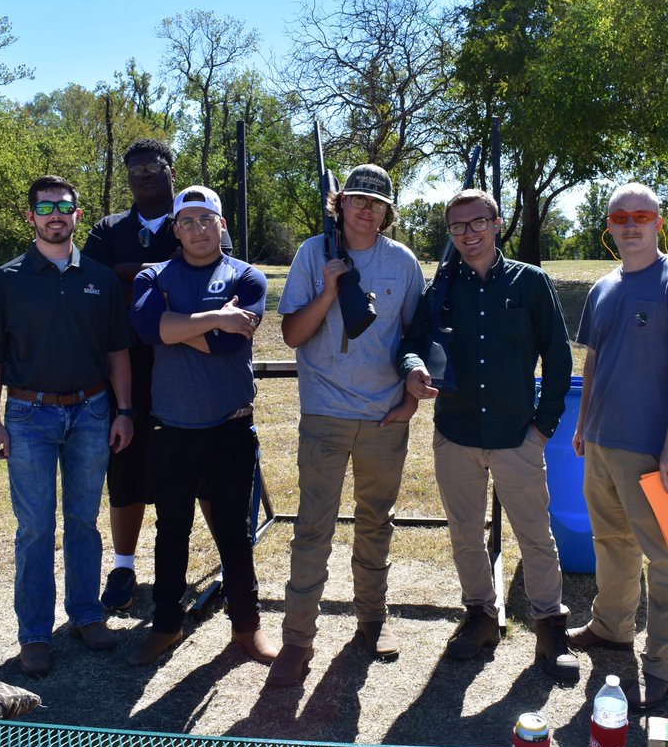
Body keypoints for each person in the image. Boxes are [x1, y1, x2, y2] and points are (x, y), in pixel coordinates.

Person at [396, 188, 580, 681]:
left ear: (497, 223)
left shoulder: (530, 283)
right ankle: (479, 616)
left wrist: (542, 428)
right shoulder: (441, 290)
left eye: (477, 223)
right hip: (455, 433)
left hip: (516, 434)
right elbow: (412, 344)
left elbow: (558, 360)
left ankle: (549, 627)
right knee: (464, 534)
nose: (468, 234)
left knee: (535, 536)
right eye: (457, 227)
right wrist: (413, 369)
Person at [267, 164, 426, 687]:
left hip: (383, 418)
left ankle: (371, 621)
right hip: (325, 415)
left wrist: (408, 400)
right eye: (357, 199)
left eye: (377, 203)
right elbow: (292, 334)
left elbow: (414, 339)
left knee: (376, 523)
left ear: (387, 211)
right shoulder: (315, 254)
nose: (366, 209)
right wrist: (330, 290)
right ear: (340, 204)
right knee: (313, 528)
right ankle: (297, 639)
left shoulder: (402, 262)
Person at [0, 175, 134, 677]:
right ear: (31, 217)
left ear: (77, 215)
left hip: (91, 413)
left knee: (83, 522)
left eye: (64, 206)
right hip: (29, 417)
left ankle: (87, 616)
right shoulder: (8, 279)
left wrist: (124, 410)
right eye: (45, 207)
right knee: (36, 527)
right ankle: (35, 635)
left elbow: (117, 352)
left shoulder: (101, 278)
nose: (55, 215)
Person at [569, 181, 668, 709]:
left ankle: (661, 665)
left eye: (641, 216)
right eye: (619, 217)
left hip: (652, 449)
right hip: (602, 442)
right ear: (609, 227)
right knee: (611, 541)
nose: (630, 224)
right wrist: (584, 424)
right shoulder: (603, 287)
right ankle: (611, 628)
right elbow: (592, 360)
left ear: (658, 223)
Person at [126, 185, 276, 666]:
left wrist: (177, 324)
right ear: (175, 229)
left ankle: (247, 628)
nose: (196, 229)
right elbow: (149, 330)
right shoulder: (153, 275)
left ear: (221, 225)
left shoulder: (248, 277)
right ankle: (166, 625)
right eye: (186, 222)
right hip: (171, 430)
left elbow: (229, 346)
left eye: (205, 219)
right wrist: (214, 318)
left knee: (234, 533)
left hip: (231, 428)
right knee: (172, 530)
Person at [82, 139, 194, 611]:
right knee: (124, 471)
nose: (144, 176)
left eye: (153, 167)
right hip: (123, 373)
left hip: (190, 368)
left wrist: (132, 273)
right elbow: (94, 280)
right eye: (135, 171)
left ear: (171, 170)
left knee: (194, 471)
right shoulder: (109, 229)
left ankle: (220, 569)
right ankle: (124, 567)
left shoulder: (194, 214)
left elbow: (213, 273)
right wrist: (164, 271)